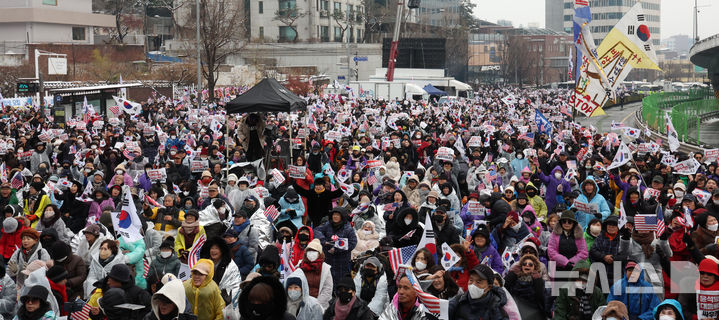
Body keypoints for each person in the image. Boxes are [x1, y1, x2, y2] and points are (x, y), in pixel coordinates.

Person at [314, 207, 357, 286]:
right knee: (327, 280)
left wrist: (337, 249)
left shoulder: (348, 229)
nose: (335, 216)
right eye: (334, 214)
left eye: (337, 215)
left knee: (341, 282)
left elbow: (353, 243)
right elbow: (317, 230)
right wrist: (323, 241)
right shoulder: (327, 225)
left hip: (342, 261)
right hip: (328, 258)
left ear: (342, 216)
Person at [291, 239, 333, 309]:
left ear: (319, 253)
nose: (311, 253)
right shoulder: (300, 265)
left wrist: (316, 304)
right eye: (309, 251)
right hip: (301, 304)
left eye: (314, 251)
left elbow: (327, 289)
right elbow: (294, 284)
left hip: (318, 306)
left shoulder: (325, 268)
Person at [199, 236, 242, 302]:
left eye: (216, 248)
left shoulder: (230, 265)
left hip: (223, 300)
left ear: (222, 250)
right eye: (212, 248)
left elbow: (235, 284)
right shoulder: (204, 263)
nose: (213, 251)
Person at [504, 254, 546, 318]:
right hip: (516, 312)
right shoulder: (514, 279)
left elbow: (541, 298)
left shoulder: (538, 281)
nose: (527, 265)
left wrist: (538, 281)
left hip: (533, 314)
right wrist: (512, 274)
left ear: (534, 267)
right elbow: (504, 288)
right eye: (524, 264)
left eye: (530, 264)